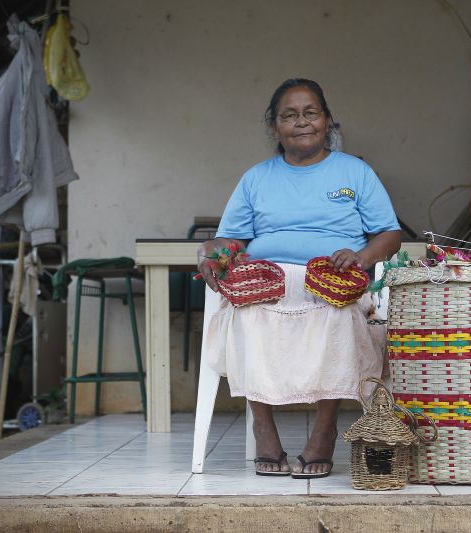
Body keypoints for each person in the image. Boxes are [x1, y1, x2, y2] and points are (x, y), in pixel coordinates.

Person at [197, 78, 402, 479]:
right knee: (245, 313)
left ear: (327, 120)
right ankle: (263, 427)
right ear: (274, 127)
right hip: (267, 279)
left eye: (311, 113)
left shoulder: (355, 172)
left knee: (339, 316)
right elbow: (231, 238)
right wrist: (211, 251)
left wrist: (361, 257)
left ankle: (324, 430)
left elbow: (389, 234)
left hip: (334, 279)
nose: (302, 122)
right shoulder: (256, 178)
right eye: (289, 115)